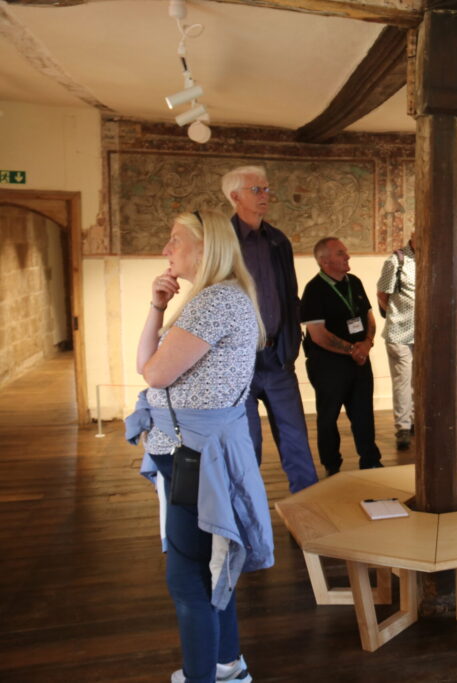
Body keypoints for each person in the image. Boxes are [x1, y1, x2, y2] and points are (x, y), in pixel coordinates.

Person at [125, 210, 273, 683]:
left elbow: (155, 374)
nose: (166, 250)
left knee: (188, 577)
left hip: (196, 455)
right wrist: (156, 307)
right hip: (192, 452)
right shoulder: (212, 299)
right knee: (209, 565)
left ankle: (204, 674)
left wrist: (160, 320)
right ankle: (227, 663)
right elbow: (146, 365)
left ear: (206, 248)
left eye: (174, 241)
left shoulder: (215, 302)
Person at [222, 165, 318, 494]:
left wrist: (291, 344)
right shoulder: (222, 243)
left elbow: (290, 295)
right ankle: (247, 517)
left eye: (266, 189)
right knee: (247, 445)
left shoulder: (278, 241)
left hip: (277, 358)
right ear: (235, 197)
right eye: (257, 190)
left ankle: (308, 508)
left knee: (295, 439)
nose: (266, 196)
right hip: (238, 364)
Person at [300, 237, 383, 474]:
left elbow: (368, 316)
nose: (348, 257)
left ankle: (370, 460)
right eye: (340, 253)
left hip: (359, 360)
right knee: (328, 416)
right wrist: (351, 350)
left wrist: (367, 343)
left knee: (363, 413)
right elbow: (317, 334)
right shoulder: (314, 290)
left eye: (346, 252)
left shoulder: (354, 282)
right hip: (329, 365)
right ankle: (332, 465)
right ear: (324, 261)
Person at [376, 233, 416, 450]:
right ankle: (403, 427)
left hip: (424, 334)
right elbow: (382, 293)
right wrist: (396, 315)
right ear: (414, 236)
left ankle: (415, 420)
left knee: (419, 381)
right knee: (402, 380)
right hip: (399, 333)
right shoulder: (396, 261)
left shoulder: (430, 259)